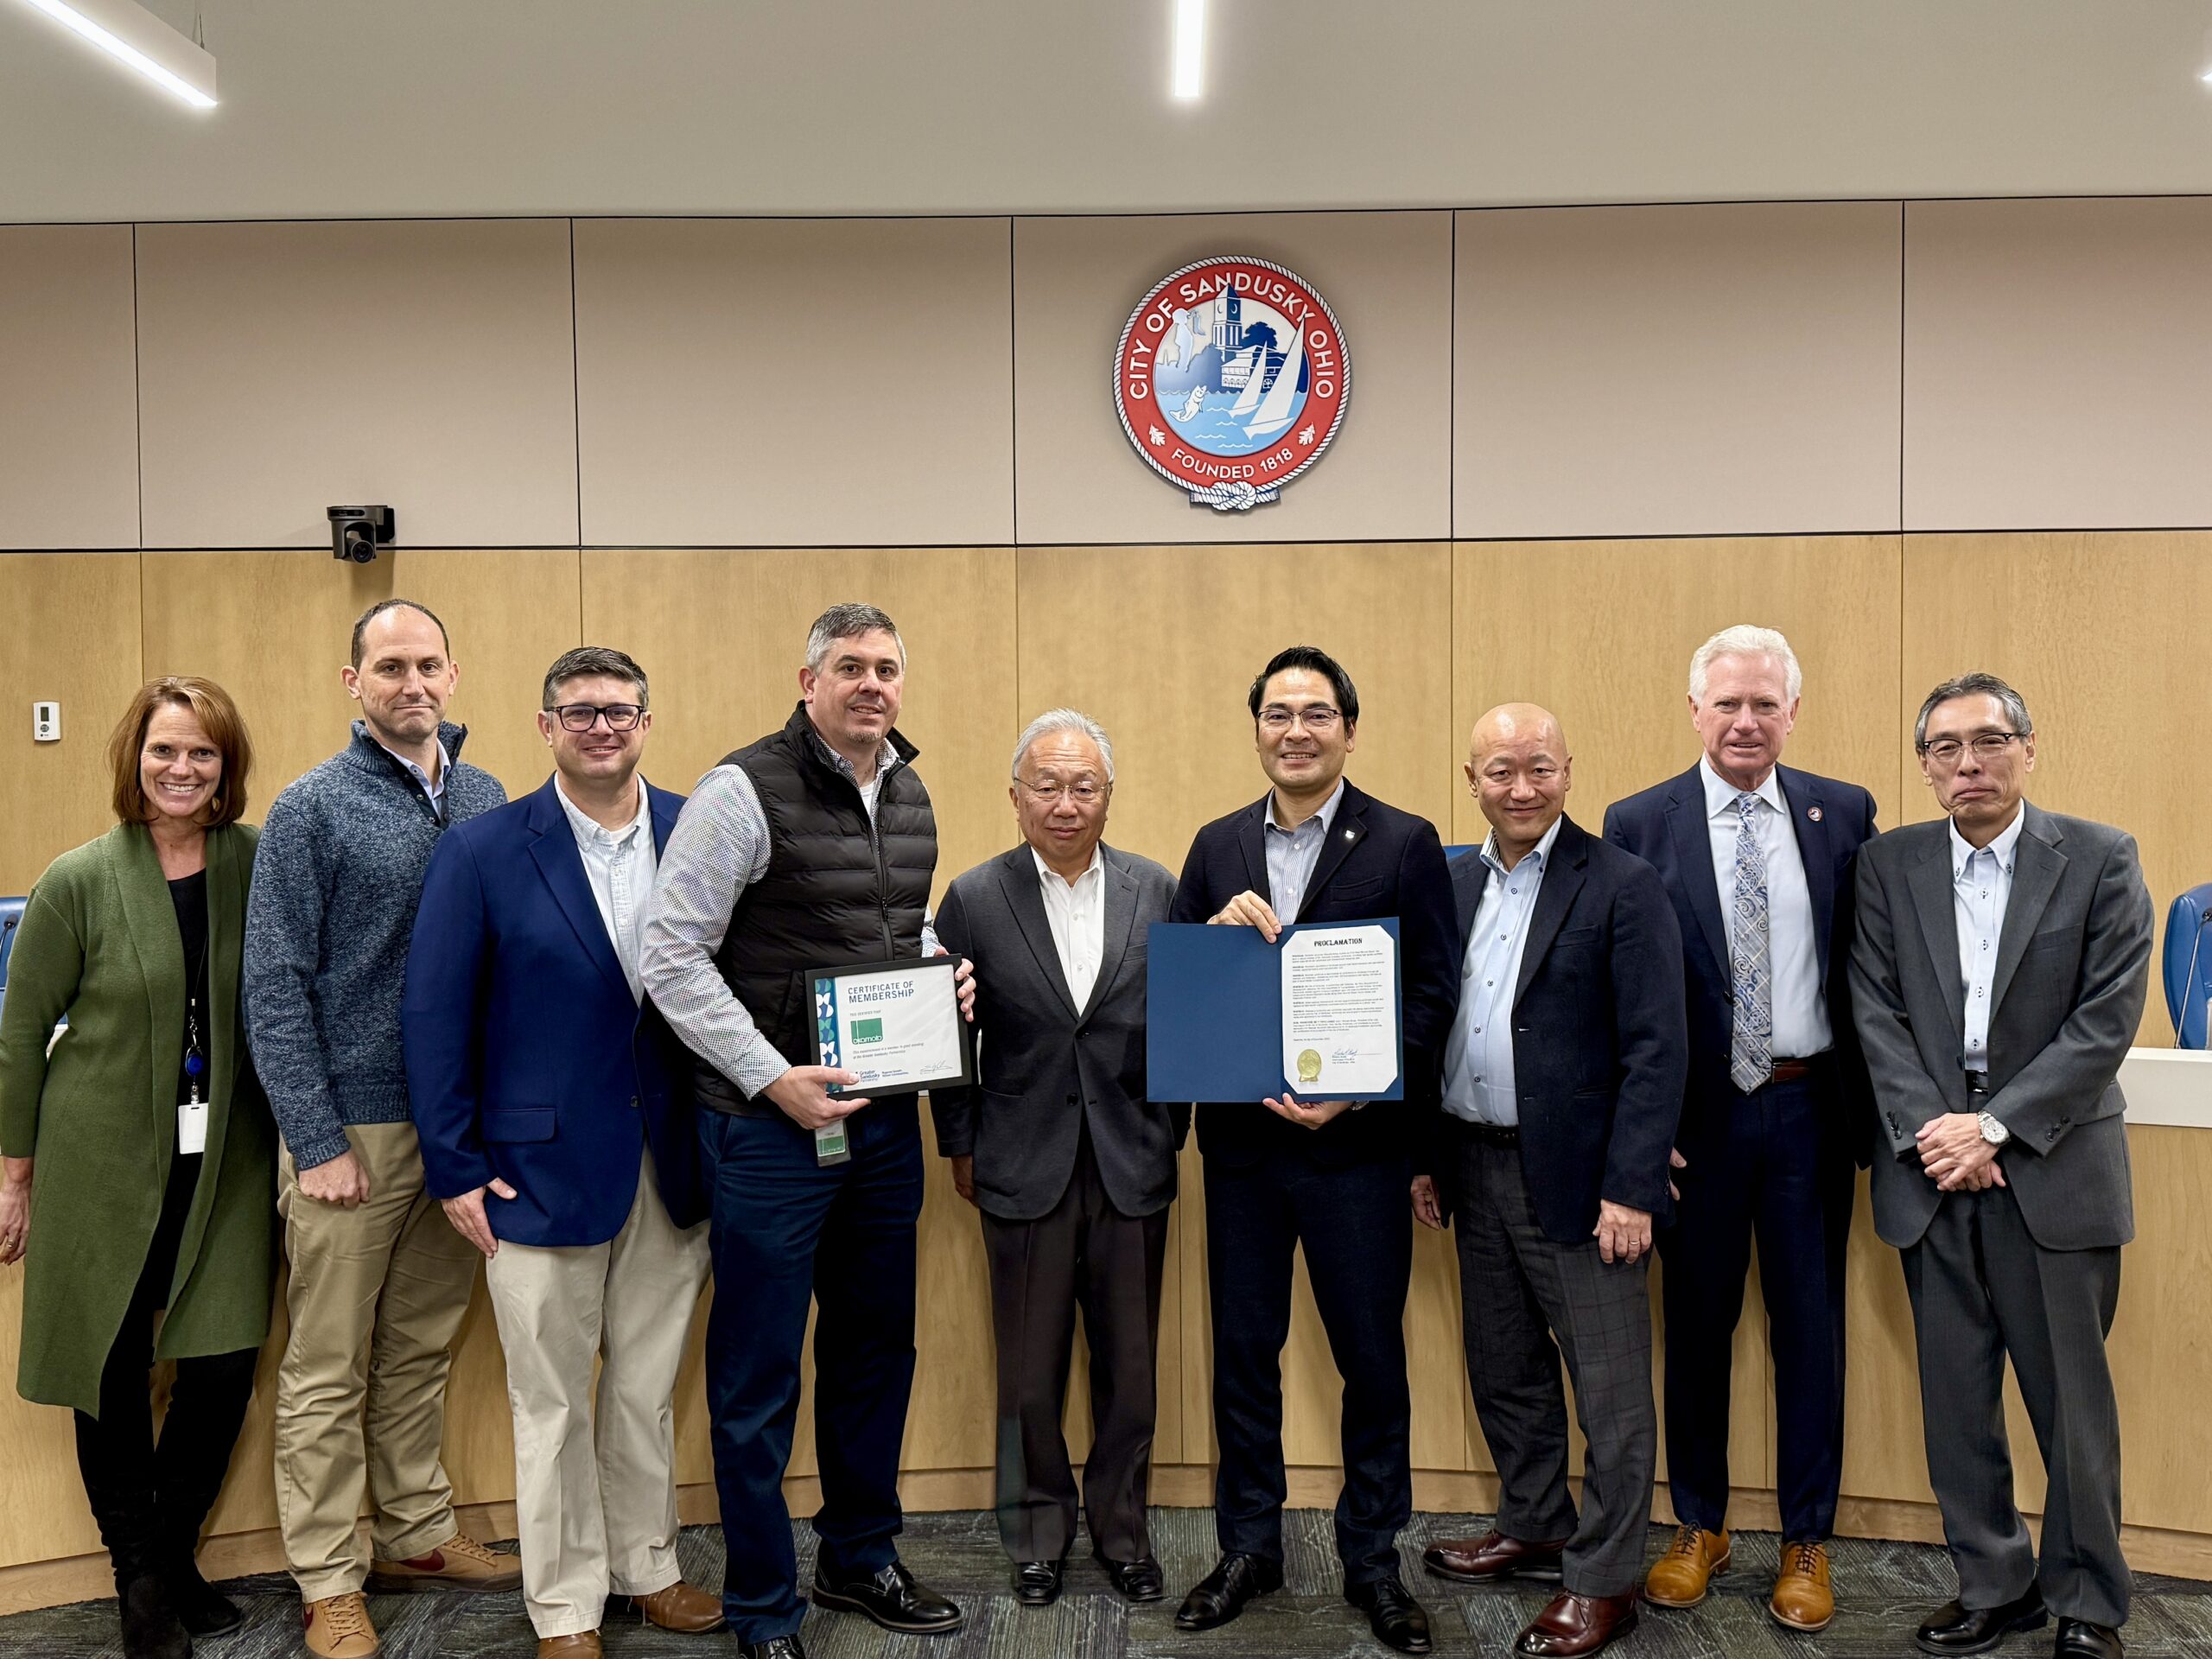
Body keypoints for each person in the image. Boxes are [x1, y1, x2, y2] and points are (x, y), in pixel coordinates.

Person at [641, 602, 973, 1659]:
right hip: (767, 1133)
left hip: (879, 1128)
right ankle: (762, 1604)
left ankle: (859, 1557)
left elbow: (891, 921)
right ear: (808, 681)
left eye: (887, 668)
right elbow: (669, 957)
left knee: (875, 1352)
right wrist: (771, 1077)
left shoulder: (909, 791)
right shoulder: (740, 791)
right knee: (757, 1376)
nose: (872, 685)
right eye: (850, 667)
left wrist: (939, 972)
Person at [402, 646, 717, 1659]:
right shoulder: (483, 850)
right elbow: (434, 1015)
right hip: (532, 1174)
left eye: (618, 710)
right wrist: (452, 1165)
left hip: (672, 1161)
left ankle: (648, 1568)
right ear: (546, 728)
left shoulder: (697, 831)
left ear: (646, 723)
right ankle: (566, 1606)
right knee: (549, 1402)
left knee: (644, 1389)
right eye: (578, 712)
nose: (600, 727)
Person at [1850, 673, 2151, 1659]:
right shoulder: (1887, 865)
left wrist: (1995, 1128)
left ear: (2028, 748)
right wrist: (1940, 1132)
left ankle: (2088, 1602)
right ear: (1924, 766)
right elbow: (1874, 1009)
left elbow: (2104, 1019)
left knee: (2071, 1408)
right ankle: (1994, 1584)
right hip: (1930, 1170)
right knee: (1955, 1402)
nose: (1967, 763)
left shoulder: (2099, 858)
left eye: (1988, 741)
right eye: (1945, 747)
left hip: (2052, 1170)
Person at [1166, 645, 1457, 1657]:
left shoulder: (1405, 841)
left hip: (1358, 1155)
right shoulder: (1215, 846)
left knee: (1370, 1363)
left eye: (1317, 714)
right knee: (1243, 1359)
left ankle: (1372, 1559)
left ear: (1348, 730)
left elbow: (1433, 995)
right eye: (1278, 714)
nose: (1296, 731)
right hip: (1244, 1154)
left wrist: (1359, 1090)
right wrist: (1213, 931)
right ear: (1256, 730)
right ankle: (1248, 1548)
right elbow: (1185, 990)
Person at [245, 598, 516, 1659]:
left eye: (428, 665)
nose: (413, 684)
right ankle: (328, 1577)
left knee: (418, 1345)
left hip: (458, 1128)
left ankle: (416, 1533)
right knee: (326, 1366)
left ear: (454, 675)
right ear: (353, 682)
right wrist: (315, 1139)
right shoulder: (311, 808)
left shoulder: (485, 797)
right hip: (352, 1130)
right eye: (390, 666)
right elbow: (273, 983)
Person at [1600, 625, 1878, 1631]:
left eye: (1765, 704)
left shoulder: (1844, 812)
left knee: (1810, 1331)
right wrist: (1642, 1127)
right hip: (1698, 1121)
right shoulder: (1638, 822)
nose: (1745, 721)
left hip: (1809, 1109)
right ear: (1694, 711)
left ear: (1791, 712)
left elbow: (1870, 962)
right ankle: (1700, 1523)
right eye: (1727, 703)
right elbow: (1619, 987)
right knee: (1696, 1327)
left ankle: (1806, 1537)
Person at [0, 678, 273, 1659]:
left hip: (227, 1159)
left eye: (203, 752)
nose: (182, 769)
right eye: (165, 750)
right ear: (135, 758)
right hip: (100, 1160)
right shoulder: (79, 877)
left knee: (222, 1363)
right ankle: (143, 1582)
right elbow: (21, 1033)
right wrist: (14, 1176)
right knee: (110, 1366)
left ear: (226, 766)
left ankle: (169, 1550)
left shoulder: (256, 862)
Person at [1416, 703, 1687, 1659]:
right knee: (1504, 1366)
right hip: (1472, 1162)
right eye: (1500, 771)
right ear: (1472, 781)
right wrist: (1423, 1157)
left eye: (1539, 767)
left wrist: (1633, 1186)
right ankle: (1533, 1522)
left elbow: (1658, 1048)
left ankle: (1604, 1581)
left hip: (1583, 1180)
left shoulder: (1622, 884)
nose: (1521, 787)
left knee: (1610, 1394)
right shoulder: (1450, 883)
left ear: (1569, 771)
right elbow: (1427, 1023)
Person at [930, 709, 1180, 1609]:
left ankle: (1122, 1532)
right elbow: (947, 1037)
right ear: (1015, 796)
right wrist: (959, 1143)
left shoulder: (1158, 889)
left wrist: (1173, 1132)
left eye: (1084, 786)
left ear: (1108, 795)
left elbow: (1187, 1022)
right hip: (1019, 1160)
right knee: (1029, 1377)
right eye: (1047, 786)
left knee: (1131, 1373)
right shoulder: (972, 897)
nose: (1065, 804)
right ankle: (1035, 1535)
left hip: (1131, 1163)